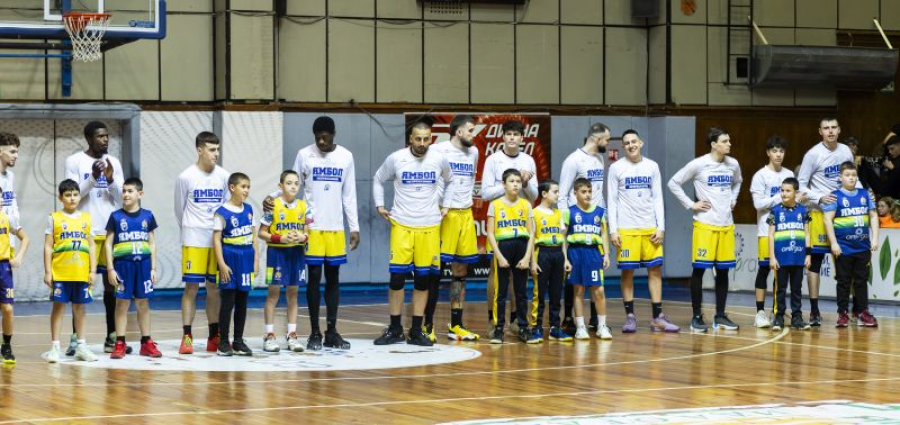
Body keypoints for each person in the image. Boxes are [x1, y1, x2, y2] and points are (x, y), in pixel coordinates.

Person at [267, 116, 358, 351]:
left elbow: (349, 194)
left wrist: (354, 227)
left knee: (334, 279)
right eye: (317, 137)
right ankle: (315, 332)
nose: (321, 141)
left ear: (334, 134)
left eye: (325, 137)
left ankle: (332, 332)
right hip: (311, 227)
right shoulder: (304, 154)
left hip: (335, 227)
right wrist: (272, 198)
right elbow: (291, 186)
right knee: (314, 279)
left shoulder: (346, 156)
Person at [372, 119, 444, 347]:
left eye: (426, 139)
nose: (422, 143)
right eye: (418, 139)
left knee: (423, 280)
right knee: (397, 279)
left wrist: (447, 205)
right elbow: (378, 179)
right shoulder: (396, 158)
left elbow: (451, 181)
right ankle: (395, 329)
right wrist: (380, 205)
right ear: (410, 139)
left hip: (429, 227)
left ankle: (416, 330)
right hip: (402, 225)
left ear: (431, 139)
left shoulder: (439, 159)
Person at [668, 127, 742, 333]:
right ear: (714, 144)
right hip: (705, 225)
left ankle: (720, 315)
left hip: (726, 224)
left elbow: (738, 182)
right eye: (725, 141)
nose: (729, 144)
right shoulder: (699, 164)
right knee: (699, 270)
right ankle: (696, 316)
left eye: (729, 140)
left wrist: (733, 199)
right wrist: (691, 204)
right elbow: (673, 183)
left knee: (723, 271)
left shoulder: (733, 164)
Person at [607, 130, 679, 333]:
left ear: (641, 143)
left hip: (650, 228)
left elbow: (657, 198)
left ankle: (658, 318)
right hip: (626, 229)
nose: (631, 145)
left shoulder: (652, 166)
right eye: (627, 143)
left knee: (655, 271)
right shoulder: (616, 168)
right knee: (627, 272)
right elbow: (611, 200)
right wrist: (613, 230)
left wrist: (661, 227)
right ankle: (630, 317)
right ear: (623, 146)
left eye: (634, 141)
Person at [64, 121, 125, 356]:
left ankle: (112, 337)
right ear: (89, 138)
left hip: (108, 231)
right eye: (100, 136)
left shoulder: (114, 162)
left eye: (107, 136)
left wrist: (109, 180)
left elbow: (122, 198)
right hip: (84, 231)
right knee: (81, 285)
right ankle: (76, 340)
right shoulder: (74, 161)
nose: (105, 140)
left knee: (112, 284)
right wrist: (93, 178)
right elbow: (72, 196)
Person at [174, 132, 230, 354]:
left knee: (214, 288)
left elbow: (226, 208)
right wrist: (192, 228)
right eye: (211, 149)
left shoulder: (224, 176)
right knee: (191, 288)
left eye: (218, 149)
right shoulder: (185, 177)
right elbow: (179, 210)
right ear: (199, 150)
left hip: (216, 240)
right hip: (194, 239)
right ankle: (187, 336)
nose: (216, 154)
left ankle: (213, 336)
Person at [481, 120, 538, 334]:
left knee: (519, 272)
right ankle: (493, 319)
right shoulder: (493, 160)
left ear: (522, 138)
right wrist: (508, 183)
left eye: (516, 134)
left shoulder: (528, 160)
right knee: (496, 271)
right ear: (503, 136)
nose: (512, 137)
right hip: (501, 219)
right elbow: (485, 193)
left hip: (521, 220)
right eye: (509, 134)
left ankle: (516, 320)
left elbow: (534, 196)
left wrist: (525, 182)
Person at [797, 117, 855, 326]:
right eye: (826, 128)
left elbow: (851, 178)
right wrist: (819, 197)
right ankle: (814, 310)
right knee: (815, 263)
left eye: (833, 128)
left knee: (846, 265)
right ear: (820, 131)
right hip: (819, 214)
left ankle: (846, 310)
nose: (830, 131)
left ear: (839, 130)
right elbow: (801, 185)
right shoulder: (812, 154)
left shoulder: (846, 151)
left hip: (843, 215)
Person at [432, 115, 480, 341]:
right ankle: (426, 325)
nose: (473, 134)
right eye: (470, 130)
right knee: (434, 270)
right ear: (458, 131)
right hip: (445, 213)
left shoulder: (474, 152)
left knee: (460, 272)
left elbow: (470, 181)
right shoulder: (439, 150)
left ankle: (456, 325)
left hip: (466, 213)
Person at [558, 123, 609, 334]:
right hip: (576, 223)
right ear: (597, 139)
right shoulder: (573, 160)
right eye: (606, 139)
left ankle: (597, 321)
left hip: (595, 222)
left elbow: (598, 192)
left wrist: (604, 216)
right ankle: (570, 318)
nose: (608, 143)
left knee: (596, 279)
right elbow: (562, 194)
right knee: (574, 279)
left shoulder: (600, 159)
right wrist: (565, 221)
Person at [105, 178, 161, 358]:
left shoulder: (148, 216)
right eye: (124, 191)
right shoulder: (115, 217)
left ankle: (146, 342)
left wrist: (153, 268)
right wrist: (110, 269)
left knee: (143, 303)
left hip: (143, 266)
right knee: (122, 303)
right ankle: (120, 342)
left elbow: (152, 243)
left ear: (140, 194)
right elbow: (108, 244)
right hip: (123, 266)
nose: (126, 194)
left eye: (130, 191)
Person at [44, 179, 98, 363]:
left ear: (79, 196)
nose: (72, 198)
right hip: (60, 272)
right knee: (58, 307)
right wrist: (48, 272)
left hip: (81, 272)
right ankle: (55, 347)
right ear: (60, 198)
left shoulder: (86, 218)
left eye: (75, 194)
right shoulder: (54, 217)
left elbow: (92, 246)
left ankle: (81, 346)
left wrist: (93, 270)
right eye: (68, 195)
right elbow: (48, 246)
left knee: (80, 308)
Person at [259, 170, 311, 353]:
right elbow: (261, 232)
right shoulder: (272, 205)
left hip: (296, 253)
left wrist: (302, 236)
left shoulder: (304, 206)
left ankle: (292, 335)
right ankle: (269, 335)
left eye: (296, 183)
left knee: (293, 294)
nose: (293, 186)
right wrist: (279, 238)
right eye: (289, 183)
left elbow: (307, 232)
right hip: (276, 254)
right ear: (280, 186)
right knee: (273, 294)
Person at [822, 162, 879, 328]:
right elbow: (827, 219)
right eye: (847, 175)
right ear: (841, 177)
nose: (851, 178)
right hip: (843, 248)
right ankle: (842, 314)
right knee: (843, 282)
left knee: (861, 281)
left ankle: (862, 312)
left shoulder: (865, 194)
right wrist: (833, 243)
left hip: (863, 247)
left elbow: (873, 216)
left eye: (854, 175)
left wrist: (875, 239)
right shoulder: (835, 196)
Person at [749, 136, 794, 328]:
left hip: (786, 231)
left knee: (782, 273)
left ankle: (778, 311)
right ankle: (759, 313)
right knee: (764, 269)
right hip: (765, 231)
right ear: (768, 152)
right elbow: (758, 204)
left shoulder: (789, 174)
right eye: (775, 151)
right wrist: (780, 197)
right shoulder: (760, 176)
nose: (778, 154)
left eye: (781, 151)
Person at [486, 169, 534, 344]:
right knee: (500, 292)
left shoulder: (526, 204)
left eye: (518, 181)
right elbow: (490, 233)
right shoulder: (495, 205)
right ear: (503, 184)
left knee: (521, 292)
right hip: (503, 247)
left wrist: (527, 257)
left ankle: (522, 326)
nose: (515, 184)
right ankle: (498, 328)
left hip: (521, 246)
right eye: (512, 181)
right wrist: (499, 256)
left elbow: (531, 233)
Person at [213, 172, 258, 356]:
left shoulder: (249, 209)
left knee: (242, 300)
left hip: (246, 257)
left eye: (248, 187)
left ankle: (238, 341)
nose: (246, 190)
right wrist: (222, 264)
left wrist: (256, 261)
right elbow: (216, 240)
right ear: (232, 188)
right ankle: (223, 342)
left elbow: (254, 237)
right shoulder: (221, 212)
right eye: (243, 186)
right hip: (229, 257)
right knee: (228, 300)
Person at [563, 178, 611, 340]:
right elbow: (563, 237)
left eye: (589, 191)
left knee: (599, 290)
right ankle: (580, 327)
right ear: (575, 193)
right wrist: (565, 258)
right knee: (579, 290)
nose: (587, 194)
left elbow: (604, 234)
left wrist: (606, 254)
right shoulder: (569, 212)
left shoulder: (599, 212)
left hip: (593, 253)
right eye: (583, 191)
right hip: (576, 252)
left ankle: (602, 326)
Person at [528, 180, 572, 342]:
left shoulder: (558, 213)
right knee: (539, 293)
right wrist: (533, 261)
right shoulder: (534, 213)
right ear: (544, 194)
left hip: (557, 254)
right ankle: (536, 326)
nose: (558, 194)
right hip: (542, 253)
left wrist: (565, 259)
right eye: (555, 191)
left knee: (556, 293)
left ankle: (555, 327)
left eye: (558, 191)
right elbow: (531, 240)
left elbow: (562, 238)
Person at [766, 177, 811, 331]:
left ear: (795, 193)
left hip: (798, 257)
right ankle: (778, 317)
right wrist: (772, 257)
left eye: (788, 191)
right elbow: (771, 235)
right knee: (780, 289)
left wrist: (808, 255)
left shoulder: (803, 211)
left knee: (797, 289)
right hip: (781, 259)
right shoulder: (775, 211)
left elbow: (807, 233)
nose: (784, 194)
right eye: (782, 190)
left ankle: (797, 317)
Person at [0, 185, 28, 365]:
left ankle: (6, 346)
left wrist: (19, 256)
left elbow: (25, 238)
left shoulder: (7, 218)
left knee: (8, 309)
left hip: (3, 267)